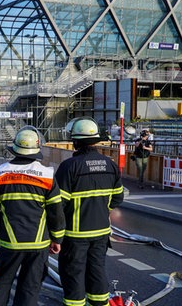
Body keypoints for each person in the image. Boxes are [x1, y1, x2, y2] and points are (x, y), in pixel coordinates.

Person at [0, 126, 65, 306]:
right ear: (36, 149)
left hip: (10, 243)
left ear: (14, 148)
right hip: (38, 245)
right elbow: (56, 212)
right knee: (29, 289)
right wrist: (57, 238)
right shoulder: (47, 175)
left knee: (0, 286)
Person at [55, 117, 124, 306]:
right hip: (101, 233)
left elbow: (58, 204)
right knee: (97, 271)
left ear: (75, 141)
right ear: (96, 140)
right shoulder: (110, 165)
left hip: (75, 234)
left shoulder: (69, 167)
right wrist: (102, 209)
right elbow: (118, 198)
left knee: (73, 274)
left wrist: (55, 236)